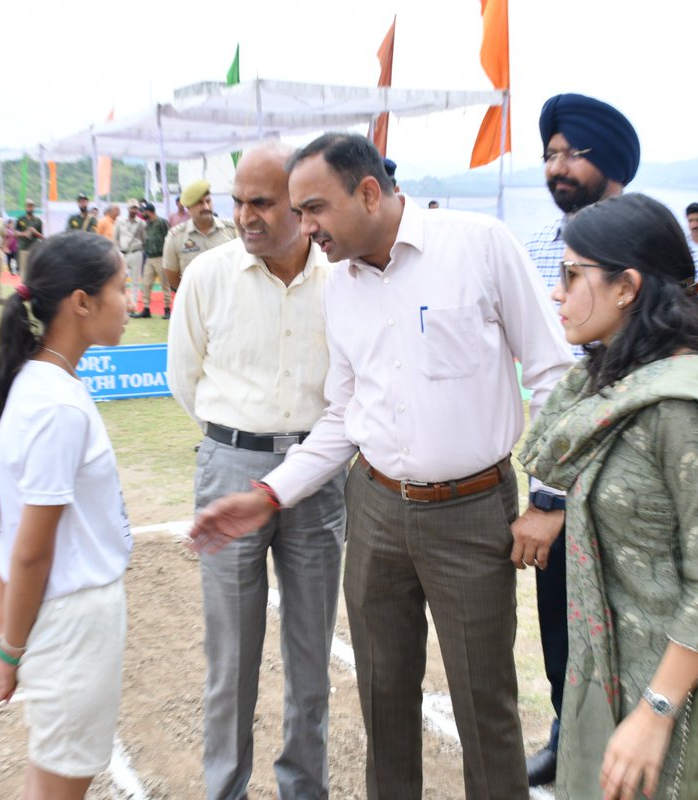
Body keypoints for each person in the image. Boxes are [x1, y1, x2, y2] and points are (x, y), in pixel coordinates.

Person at [189, 132, 575, 798]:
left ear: (368, 192)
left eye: (313, 209)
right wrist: (269, 494)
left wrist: (548, 500)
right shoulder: (339, 288)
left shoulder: (479, 245)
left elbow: (554, 374)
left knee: (486, 706)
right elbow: (342, 417)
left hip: (473, 512)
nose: (304, 228)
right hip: (373, 512)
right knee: (384, 700)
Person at [518, 192, 698, 800]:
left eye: (573, 276)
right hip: (608, 676)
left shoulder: (682, 406)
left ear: (626, 286)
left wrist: (655, 712)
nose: (557, 292)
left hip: (671, 702)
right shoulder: (611, 384)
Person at [167, 144, 345, 800]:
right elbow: (183, 379)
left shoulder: (341, 280)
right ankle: (226, 790)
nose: (245, 215)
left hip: (319, 474)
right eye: (238, 200)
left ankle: (304, 788)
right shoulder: (207, 276)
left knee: (310, 662)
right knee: (230, 661)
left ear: (300, 208)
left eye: (262, 202)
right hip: (229, 468)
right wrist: (236, 443)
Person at [0, 231, 132, 800]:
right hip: (73, 623)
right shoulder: (56, 404)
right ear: (81, 302)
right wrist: (10, 646)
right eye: (121, 288)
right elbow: (29, 547)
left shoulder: (37, 385)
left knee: (50, 781)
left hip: (62, 619)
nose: (131, 303)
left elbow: (2, 526)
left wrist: (3, 631)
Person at [522, 91, 641, 788]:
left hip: (626, 477)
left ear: (613, 164)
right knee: (560, 618)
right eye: (550, 155)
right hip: (552, 472)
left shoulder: (653, 241)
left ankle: (631, 744)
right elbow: (549, 377)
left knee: (628, 620)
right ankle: (569, 734)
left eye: (571, 153)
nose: (557, 166)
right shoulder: (539, 246)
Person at [162, 179, 236, 293]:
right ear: (188, 207)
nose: (206, 207)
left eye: (208, 201)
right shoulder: (176, 237)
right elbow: (173, 277)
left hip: (228, 300)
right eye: (200, 203)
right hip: (195, 303)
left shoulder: (232, 230)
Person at [135, 201, 170, 318]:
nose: (142, 213)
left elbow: (169, 237)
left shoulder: (161, 222)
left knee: (164, 284)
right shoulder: (147, 224)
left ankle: (167, 309)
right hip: (149, 257)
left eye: (143, 211)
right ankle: (146, 309)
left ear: (149, 211)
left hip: (161, 257)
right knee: (146, 283)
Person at [115, 202, 146, 315]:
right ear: (128, 209)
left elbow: (144, 238)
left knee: (135, 281)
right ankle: (121, 305)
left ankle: (132, 307)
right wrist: (117, 251)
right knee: (120, 280)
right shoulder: (120, 221)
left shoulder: (141, 223)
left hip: (136, 253)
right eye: (132, 208)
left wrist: (139, 248)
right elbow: (115, 237)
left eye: (136, 208)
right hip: (122, 253)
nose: (134, 210)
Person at [15, 200, 44, 281]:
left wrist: (35, 232)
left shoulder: (38, 220)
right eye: (28, 206)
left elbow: (42, 236)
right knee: (23, 271)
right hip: (23, 248)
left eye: (31, 206)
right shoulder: (20, 219)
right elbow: (15, 233)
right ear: (25, 207)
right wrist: (24, 234)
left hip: (34, 248)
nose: (30, 208)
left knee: (34, 270)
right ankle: (24, 289)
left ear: (34, 207)